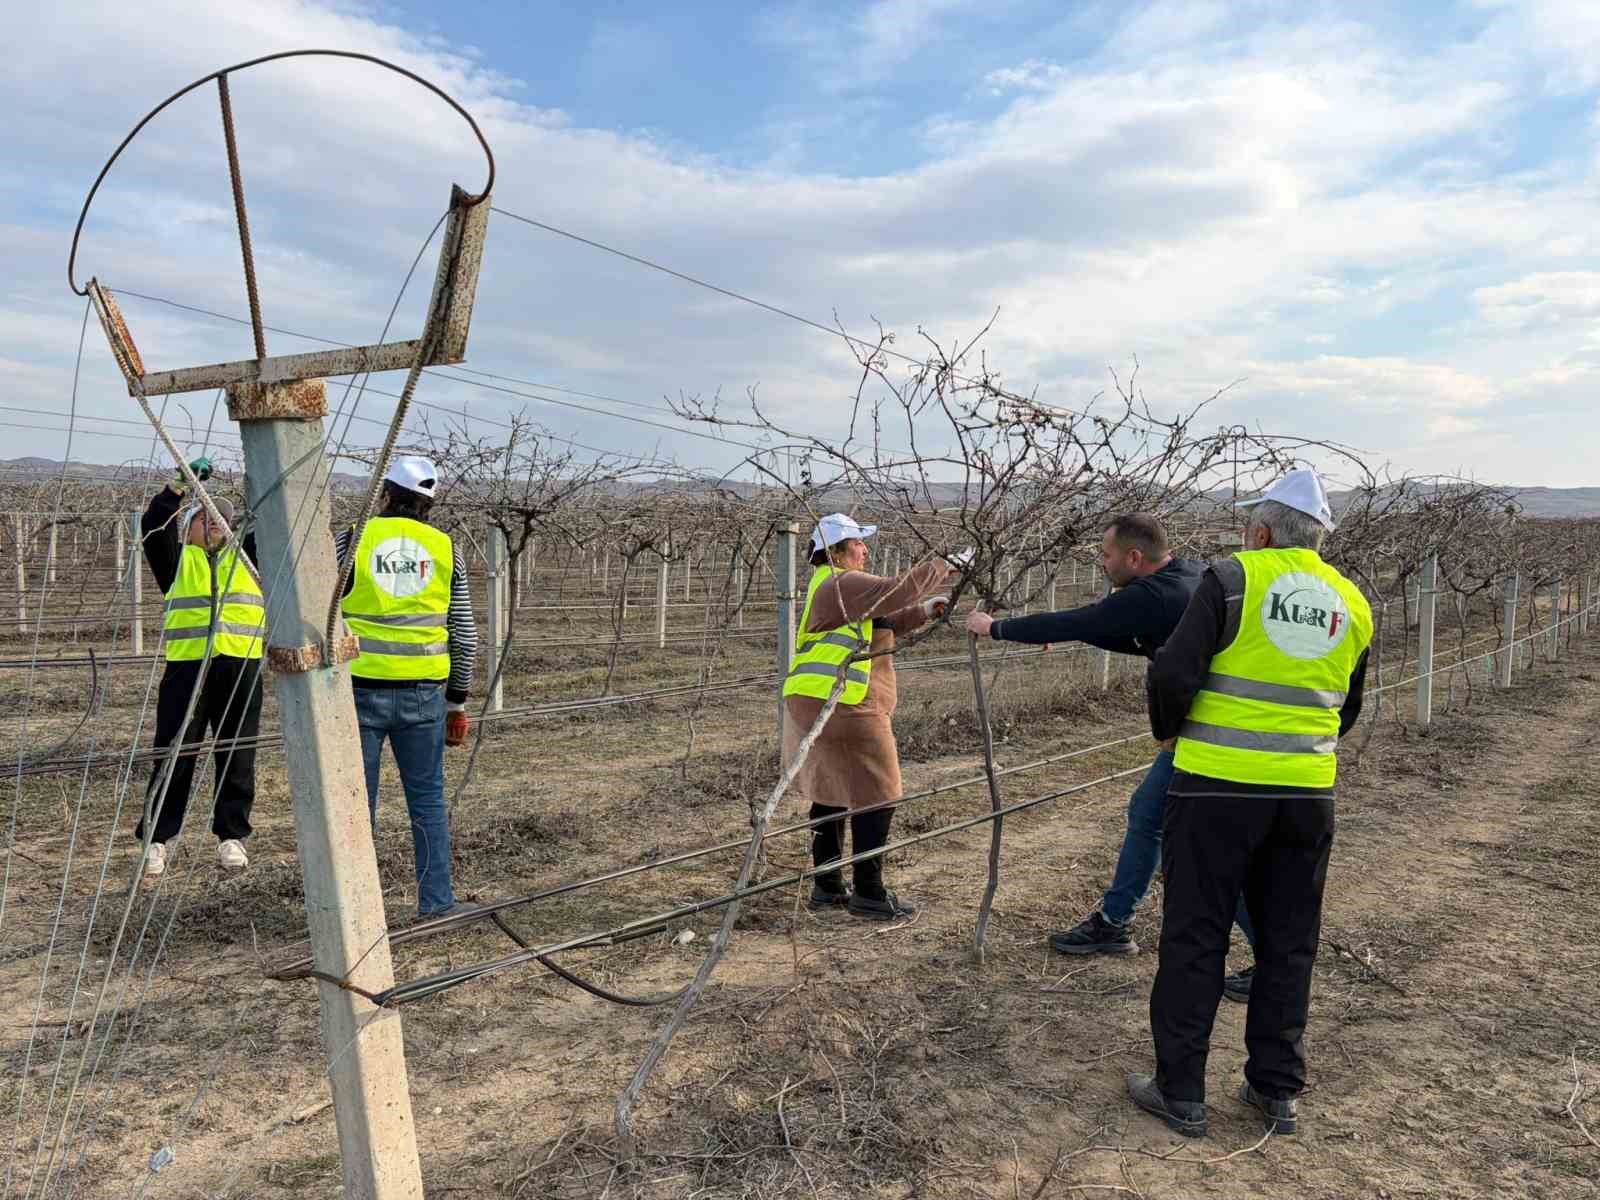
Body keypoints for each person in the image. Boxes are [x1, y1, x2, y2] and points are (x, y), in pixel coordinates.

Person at [1127, 468, 1372, 1139]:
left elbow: (1173, 671)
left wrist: (1172, 729)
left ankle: (1181, 1092)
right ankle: (1276, 1090)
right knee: (1290, 942)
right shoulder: (1353, 601)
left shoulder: (1232, 578)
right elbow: (1346, 707)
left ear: (1262, 531)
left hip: (1213, 789)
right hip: (1305, 796)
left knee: (1195, 936)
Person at [966, 515, 1258, 999]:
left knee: (1210, 848)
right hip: (1203, 729)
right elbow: (1122, 630)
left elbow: (1089, 619)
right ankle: (1114, 921)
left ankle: (1271, 960)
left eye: (1105, 556)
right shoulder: (1186, 575)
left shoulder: (1152, 594)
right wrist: (1062, 633)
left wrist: (997, 628)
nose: (1101, 564)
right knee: (1148, 815)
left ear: (1134, 559)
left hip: (1207, 737)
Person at [783, 514, 958, 920]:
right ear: (837, 551)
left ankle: (827, 887)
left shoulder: (830, 587)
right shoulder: (841, 582)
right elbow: (895, 591)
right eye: (858, 543)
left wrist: (926, 611)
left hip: (814, 698)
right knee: (880, 792)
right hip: (846, 701)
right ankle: (869, 892)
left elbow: (882, 622)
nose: (865, 550)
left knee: (829, 789)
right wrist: (946, 564)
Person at [336, 456, 478, 920]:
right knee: (428, 801)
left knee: (359, 806)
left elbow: (321, 605)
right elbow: (464, 631)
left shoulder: (354, 539)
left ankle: (358, 912)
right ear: (428, 505)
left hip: (357, 689)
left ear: (385, 494)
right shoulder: (445, 548)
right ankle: (437, 905)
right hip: (424, 693)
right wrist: (456, 701)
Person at [136, 456, 264, 879]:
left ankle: (231, 836)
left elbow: (271, 524)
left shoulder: (247, 560)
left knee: (237, 751)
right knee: (174, 751)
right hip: (187, 669)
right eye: (204, 516)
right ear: (187, 526)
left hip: (239, 665)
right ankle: (157, 839)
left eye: (222, 519)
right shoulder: (175, 562)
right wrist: (177, 488)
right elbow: (153, 526)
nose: (215, 522)